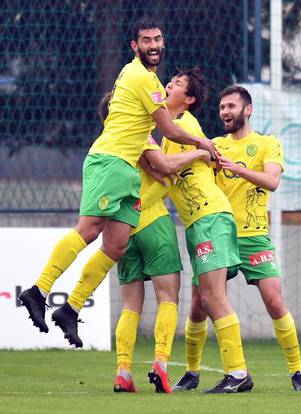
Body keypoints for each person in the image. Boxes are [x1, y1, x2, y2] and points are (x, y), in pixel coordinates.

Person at [18, 17, 219, 349]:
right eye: (146, 40)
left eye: (157, 39)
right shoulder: (143, 79)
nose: (153, 45)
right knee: (89, 229)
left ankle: (70, 308)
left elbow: (162, 165)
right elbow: (168, 134)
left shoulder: (147, 81)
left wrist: (180, 160)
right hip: (109, 161)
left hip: (125, 172)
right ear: (134, 46)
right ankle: (38, 291)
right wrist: (201, 146)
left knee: (116, 246)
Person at [172, 85, 301, 393]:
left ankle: (297, 371)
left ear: (247, 110)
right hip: (220, 233)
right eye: (222, 107)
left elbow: (273, 181)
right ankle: (192, 372)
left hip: (254, 236)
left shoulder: (266, 143)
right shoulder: (213, 145)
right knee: (199, 303)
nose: (225, 112)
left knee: (275, 301)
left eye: (231, 106)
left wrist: (238, 169)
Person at [90, 91, 210, 394]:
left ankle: (123, 371)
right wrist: (198, 152)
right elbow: (166, 167)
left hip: (123, 228)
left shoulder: (103, 148)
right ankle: (160, 363)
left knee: (130, 304)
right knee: (168, 297)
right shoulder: (137, 136)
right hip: (153, 221)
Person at [141, 73, 253, 394]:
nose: (169, 85)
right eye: (171, 81)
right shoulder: (170, 132)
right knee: (197, 305)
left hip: (210, 217)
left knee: (213, 296)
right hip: (196, 223)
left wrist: (199, 153)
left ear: (188, 99)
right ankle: (192, 373)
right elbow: (165, 169)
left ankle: (238, 373)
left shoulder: (185, 125)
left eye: (176, 84)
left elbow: (165, 166)